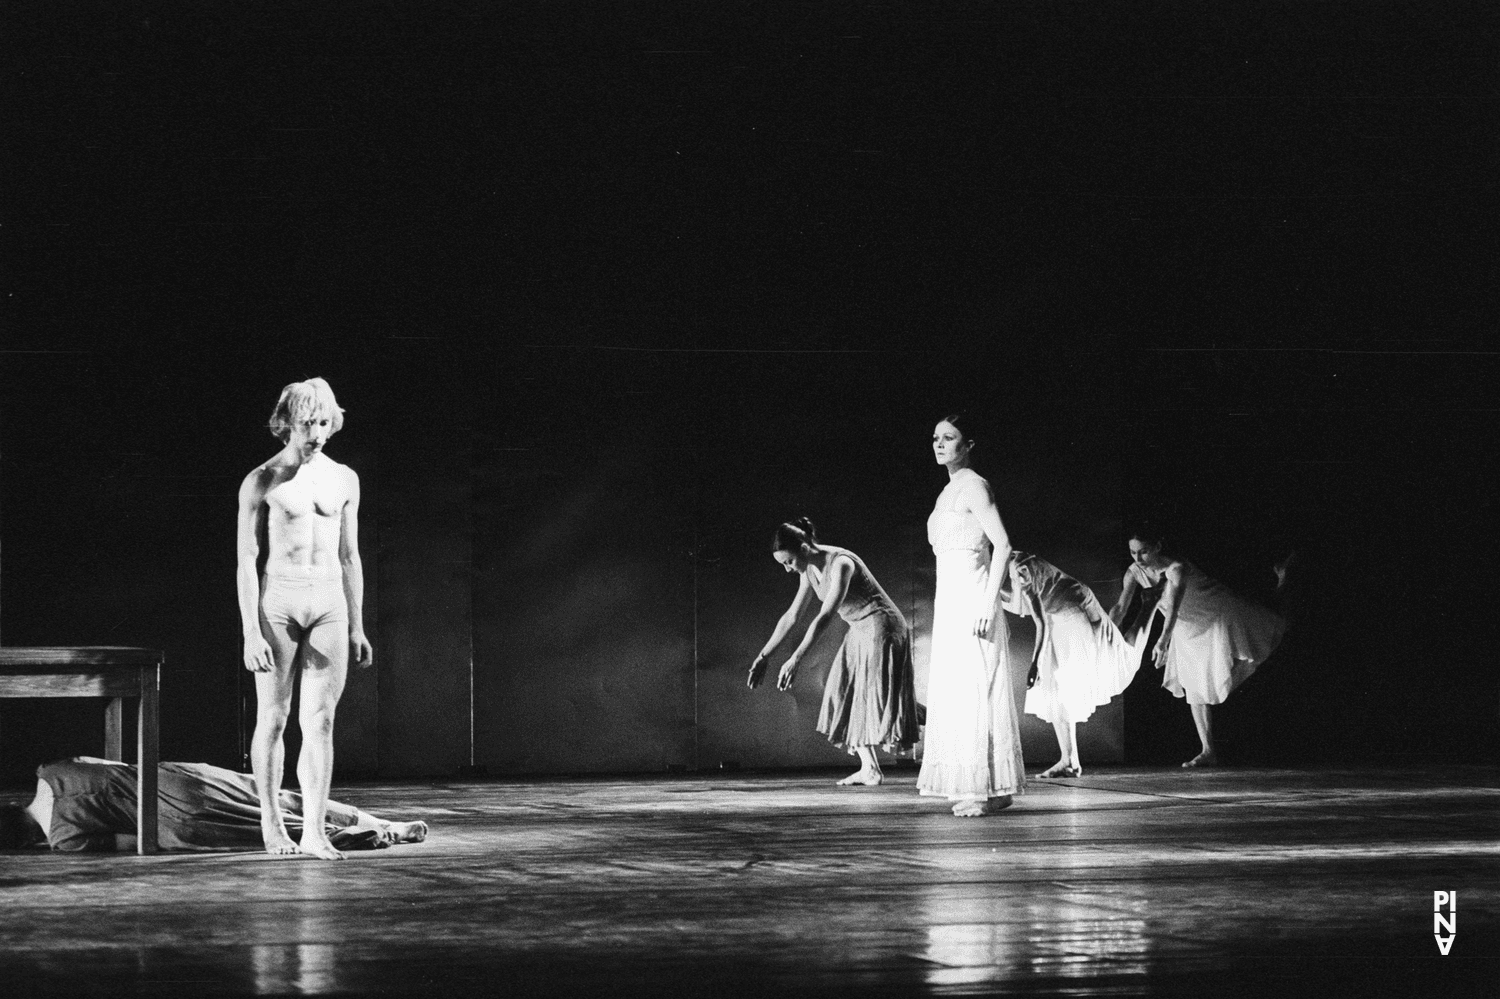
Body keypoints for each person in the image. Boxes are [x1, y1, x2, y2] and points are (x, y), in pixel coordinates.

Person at [238, 378, 373, 860]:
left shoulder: (344, 478)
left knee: (320, 721)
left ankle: (314, 830)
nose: (315, 433)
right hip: (280, 601)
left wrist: (357, 624)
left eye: (322, 422)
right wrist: (251, 631)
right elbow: (246, 560)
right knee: (273, 718)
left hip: (329, 602)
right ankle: (272, 825)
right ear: (285, 424)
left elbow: (350, 556)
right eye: (305, 424)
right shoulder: (262, 479)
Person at [747, 518, 921, 785]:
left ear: (804, 549)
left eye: (788, 562)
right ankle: (870, 769)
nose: (786, 569)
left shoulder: (841, 563)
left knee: (883, 699)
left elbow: (825, 616)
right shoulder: (808, 571)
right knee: (843, 693)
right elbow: (792, 616)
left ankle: (956, 724)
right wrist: (764, 656)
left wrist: (796, 658)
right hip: (859, 628)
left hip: (882, 626)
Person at [915, 414, 1026, 817]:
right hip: (951, 600)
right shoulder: (947, 492)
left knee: (979, 688)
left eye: (949, 438)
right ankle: (983, 787)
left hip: (973, 599)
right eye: (935, 438)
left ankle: (985, 790)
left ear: (968, 444)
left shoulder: (975, 486)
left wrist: (985, 603)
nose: (939, 444)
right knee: (959, 691)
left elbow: (1003, 545)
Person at [1108, 528, 1288, 768]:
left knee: (1274, 628)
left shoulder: (1177, 568)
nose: (1138, 558)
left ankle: (1284, 580)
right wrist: (1107, 633)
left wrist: (1163, 641)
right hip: (1187, 627)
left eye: (1144, 552)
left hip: (1218, 614)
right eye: (1133, 552)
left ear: (1158, 547)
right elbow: (1120, 607)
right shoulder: (1134, 572)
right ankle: (1208, 750)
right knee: (1194, 687)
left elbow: (1173, 606)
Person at [0, 757, 426, 853]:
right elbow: (117, 764)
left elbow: (133, 840)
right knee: (282, 798)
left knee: (260, 832)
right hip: (182, 778)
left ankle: (347, 838)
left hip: (176, 821)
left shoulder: (64, 839)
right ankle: (389, 822)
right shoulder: (51, 769)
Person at [1000, 551, 1139, 778]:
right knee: (1054, 689)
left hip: (1074, 615)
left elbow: (1040, 622)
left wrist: (1035, 662)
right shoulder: (1013, 565)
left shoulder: (1020, 569)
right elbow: (1021, 604)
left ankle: (1149, 608)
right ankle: (1069, 759)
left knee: (1061, 683)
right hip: (1060, 615)